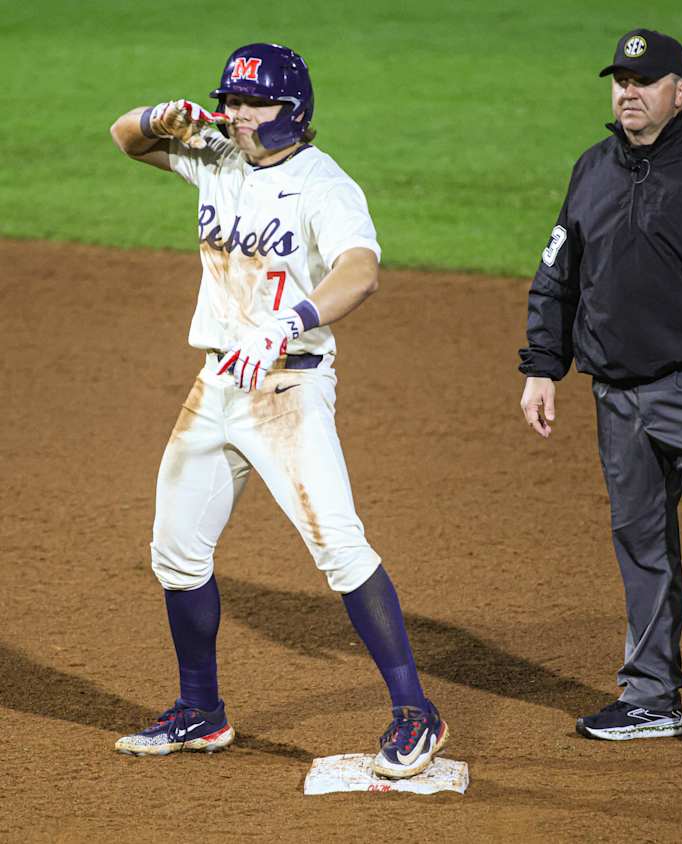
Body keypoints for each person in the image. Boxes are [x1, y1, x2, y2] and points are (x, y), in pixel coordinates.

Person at [109, 42, 447, 776]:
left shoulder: (325, 186)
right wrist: (156, 116)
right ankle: (201, 711)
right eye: (228, 100)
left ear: (293, 113)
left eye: (252, 103)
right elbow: (124, 138)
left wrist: (290, 320)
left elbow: (361, 271)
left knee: (339, 545)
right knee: (175, 552)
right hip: (218, 385)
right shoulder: (215, 155)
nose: (235, 114)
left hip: (288, 388)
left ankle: (417, 712)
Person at [519, 28, 682, 741]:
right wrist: (541, 365)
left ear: (679, 92)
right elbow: (558, 273)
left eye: (645, 81)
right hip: (616, 400)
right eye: (621, 80)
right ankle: (652, 695)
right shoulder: (593, 168)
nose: (629, 91)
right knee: (642, 545)